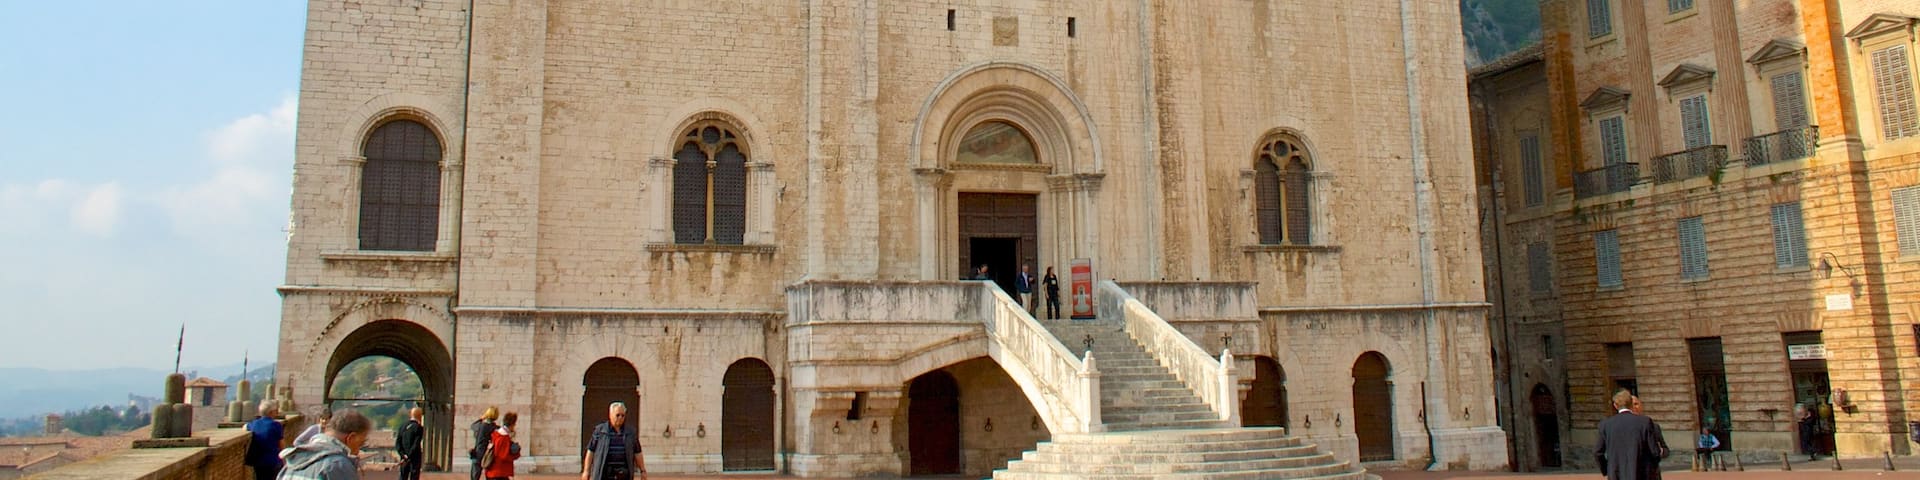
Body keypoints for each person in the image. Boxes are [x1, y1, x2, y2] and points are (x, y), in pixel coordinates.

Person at [278, 409, 371, 480]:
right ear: (351, 438)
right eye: (361, 443)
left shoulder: (290, 464)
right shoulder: (338, 465)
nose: (358, 451)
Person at [1595, 389, 1666, 480]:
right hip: (1641, 473)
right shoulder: (1644, 422)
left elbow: (1597, 452)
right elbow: (1654, 452)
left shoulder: (1606, 424)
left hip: (1616, 474)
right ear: (1630, 404)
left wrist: (1607, 469)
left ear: (1615, 406)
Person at [582, 402, 646, 480]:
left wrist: (643, 471)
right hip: (603, 473)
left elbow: (637, 452)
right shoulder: (600, 431)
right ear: (610, 415)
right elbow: (591, 451)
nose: (620, 418)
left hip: (623, 474)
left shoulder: (631, 433)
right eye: (617, 415)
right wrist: (586, 471)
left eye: (623, 415)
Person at [245, 403, 286, 480]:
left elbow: (245, 427)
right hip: (273, 460)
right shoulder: (276, 425)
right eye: (275, 411)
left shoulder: (254, 423)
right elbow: (281, 444)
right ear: (270, 412)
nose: (276, 413)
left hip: (258, 461)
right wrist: (285, 460)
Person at [484, 412, 522, 480]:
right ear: (511, 425)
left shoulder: (497, 434)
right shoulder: (503, 437)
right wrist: (516, 455)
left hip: (494, 471)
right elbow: (503, 456)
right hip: (499, 471)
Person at [395, 407, 425, 480]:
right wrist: (409, 455)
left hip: (404, 457)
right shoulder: (419, 428)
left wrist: (403, 454)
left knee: (403, 476)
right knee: (414, 476)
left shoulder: (402, 427)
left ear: (411, 415)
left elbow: (398, 443)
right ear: (419, 416)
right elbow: (416, 443)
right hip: (414, 457)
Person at [470, 407, 499, 480]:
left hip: (478, 452)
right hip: (488, 454)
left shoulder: (480, 425)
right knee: (489, 475)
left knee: (475, 475)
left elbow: (473, 426)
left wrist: (481, 418)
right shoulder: (495, 427)